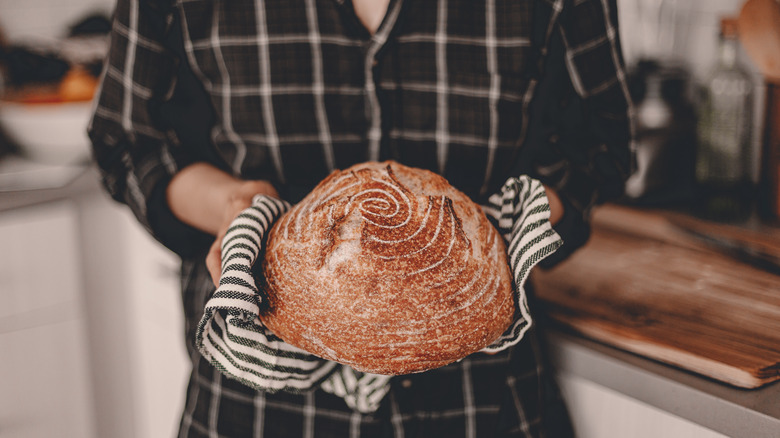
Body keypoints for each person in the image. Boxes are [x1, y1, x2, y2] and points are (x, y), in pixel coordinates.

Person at [89, 0, 634, 436]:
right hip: (255, 411)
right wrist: (235, 206)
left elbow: (600, 147)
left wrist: (492, 244)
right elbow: (130, 142)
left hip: (482, 405)